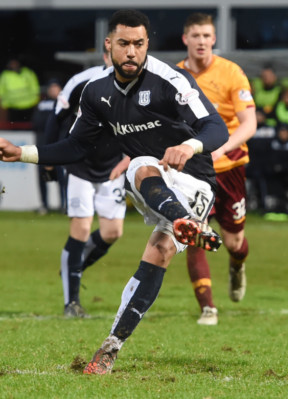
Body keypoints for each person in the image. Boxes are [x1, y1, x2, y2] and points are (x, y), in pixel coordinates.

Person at [0, 9, 230, 375]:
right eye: (123, 44)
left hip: (196, 181)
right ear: (109, 46)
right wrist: (23, 153)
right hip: (159, 184)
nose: (131, 52)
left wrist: (190, 148)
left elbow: (217, 128)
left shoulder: (172, 80)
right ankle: (110, 346)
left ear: (147, 45)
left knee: (152, 221)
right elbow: (76, 146)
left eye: (139, 44)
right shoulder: (96, 93)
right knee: (141, 184)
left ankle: (111, 345)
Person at [177, 12, 257, 326]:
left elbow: (249, 123)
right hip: (194, 168)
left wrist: (221, 147)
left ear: (214, 39)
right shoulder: (175, 76)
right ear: (186, 39)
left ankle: (237, 265)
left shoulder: (231, 73)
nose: (201, 41)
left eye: (206, 36)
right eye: (195, 35)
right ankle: (208, 307)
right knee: (194, 231)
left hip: (231, 165)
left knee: (234, 241)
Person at [46, 50, 130, 318]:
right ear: (106, 53)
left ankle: (74, 265)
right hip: (80, 165)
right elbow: (56, 117)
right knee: (80, 230)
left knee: (112, 232)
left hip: (113, 167)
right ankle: (72, 302)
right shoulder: (83, 81)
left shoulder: (137, 86)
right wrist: (49, 158)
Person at [30, 79, 65, 214]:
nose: (53, 90)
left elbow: (65, 124)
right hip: (43, 149)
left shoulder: (64, 104)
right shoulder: (42, 105)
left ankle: (64, 205)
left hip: (59, 148)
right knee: (44, 176)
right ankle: (44, 205)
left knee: (61, 177)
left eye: (56, 88)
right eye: (51, 88)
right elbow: (37, 123)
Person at [0, 58, 40, 124]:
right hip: (12, 106)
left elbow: (35, 88)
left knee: (28, 126)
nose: (14, 65)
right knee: (14, 126)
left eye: (15, 63)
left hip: (29, 105)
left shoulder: (28, 73)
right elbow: (1, 90)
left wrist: (35, 101)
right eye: (12, 63)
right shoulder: (5, 75)